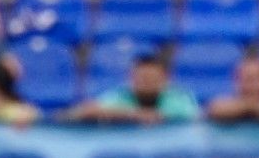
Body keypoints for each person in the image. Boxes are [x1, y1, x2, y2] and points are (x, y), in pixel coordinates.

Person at [68, 51, 201, 123]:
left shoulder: (179, 96)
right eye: (142, 77)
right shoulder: (121, 95)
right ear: (131, 78)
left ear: (165, 78)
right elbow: (85, 112)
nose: (147, 82)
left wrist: (157, 116)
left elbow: (195, 118)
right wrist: (134, 114)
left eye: (152, 78)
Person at [205, 50, 259, 122]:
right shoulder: (222, 105)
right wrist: (251, 106)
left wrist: (248, 106)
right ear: (236, 80)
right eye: (249, 79)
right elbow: (216, 109)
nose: (254, 85)